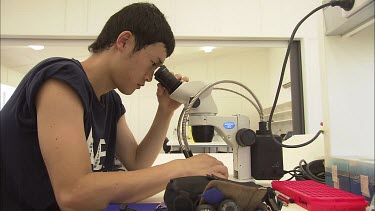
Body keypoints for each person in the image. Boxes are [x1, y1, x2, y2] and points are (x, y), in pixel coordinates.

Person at [0, 2, 228, 211]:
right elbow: (72, 193)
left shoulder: (109, 101)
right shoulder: (61, 79)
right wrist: (179, 168)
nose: (151, 77)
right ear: (124, 41)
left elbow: (137, 164)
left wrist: (165, 111)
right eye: (152, 64)